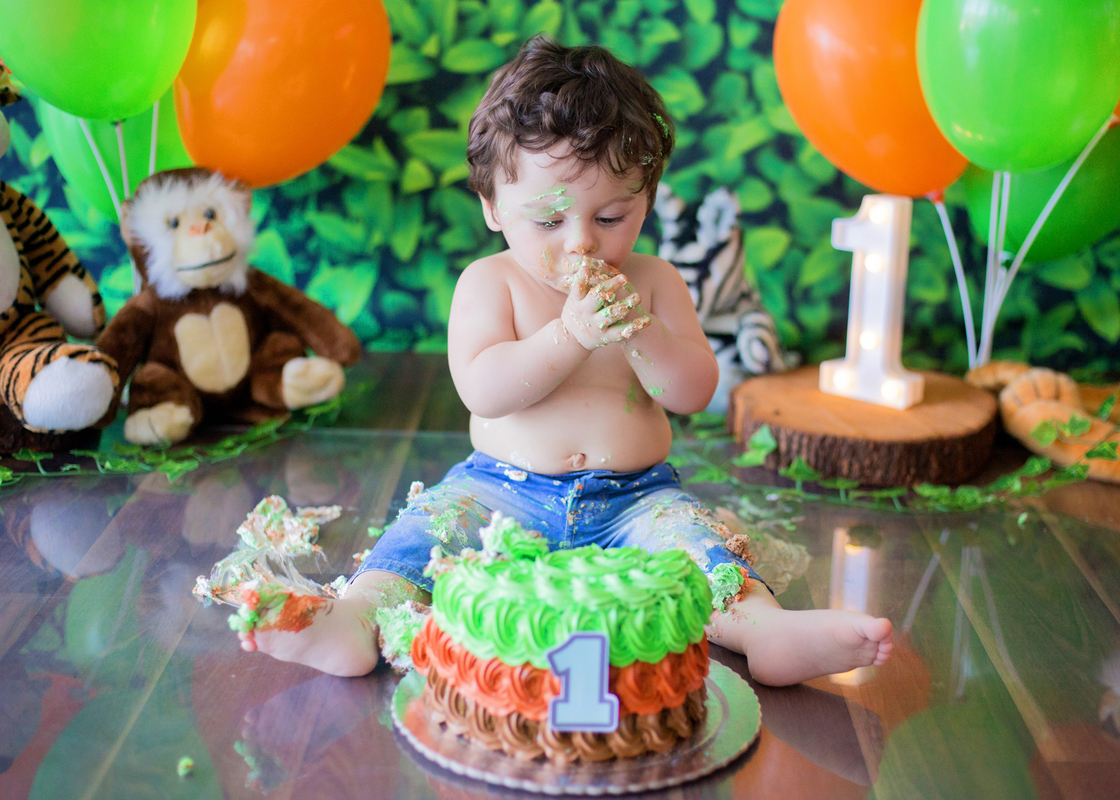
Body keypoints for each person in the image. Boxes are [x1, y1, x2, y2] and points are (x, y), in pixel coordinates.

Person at [239, 37, 893, 682]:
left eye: (613, 215)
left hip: (637, 496)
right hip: (497, 488)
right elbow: (484, 389)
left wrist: (639, 333)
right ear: (493, 206)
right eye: (549, 222)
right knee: (421, 535)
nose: (583, 241)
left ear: (647, 199)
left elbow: (691, 391)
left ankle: (765, 633)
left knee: (700, 548)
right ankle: (355, 622)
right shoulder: (489, 283)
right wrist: (572, 335)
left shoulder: (655, 280)